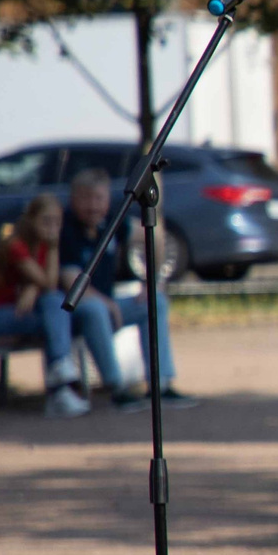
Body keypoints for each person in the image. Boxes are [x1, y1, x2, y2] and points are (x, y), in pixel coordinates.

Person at [0, 193, 131, 418]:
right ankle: (61, 380)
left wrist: (32, 288)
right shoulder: (16, 245)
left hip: (25, 311)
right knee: (55, 308)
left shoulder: (44, 245)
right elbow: (48, 283)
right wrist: (40, 279)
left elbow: (49, 284)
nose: (52, 227)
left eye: (57, 222)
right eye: (46, 221)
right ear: (31, 220)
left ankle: (60, 387)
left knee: (57, 312)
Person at [58, 169, 194, 411]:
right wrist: (109, 303)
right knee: (95, 308)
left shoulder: (110, 222)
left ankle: (160, 384)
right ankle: (117, 387)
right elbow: (70, 281)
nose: (93, 206)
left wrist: (153, 280)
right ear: (73, 199)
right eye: (86, 198)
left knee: (155, 301)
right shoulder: (65, 229)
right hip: (72, 312)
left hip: (110, 307)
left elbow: (154, 236)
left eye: (98, 198)